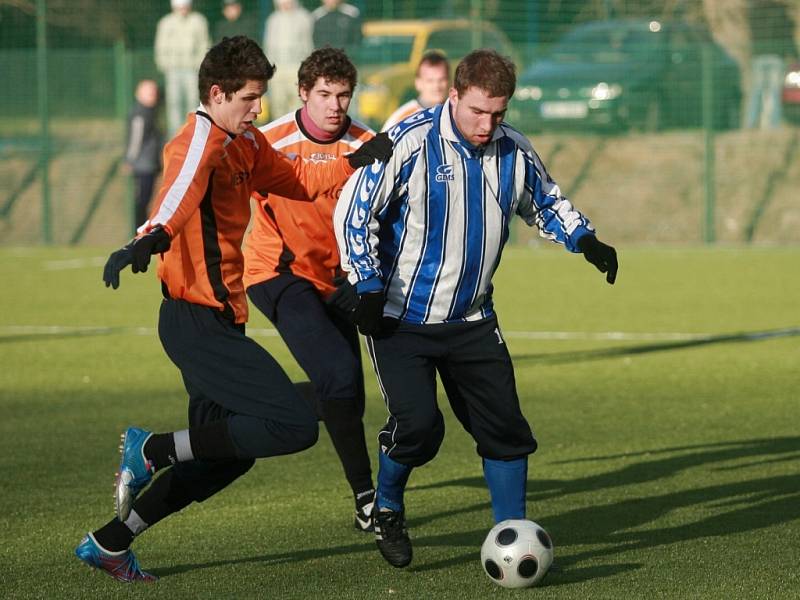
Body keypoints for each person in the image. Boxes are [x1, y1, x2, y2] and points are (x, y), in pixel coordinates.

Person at [74, 36, 392, 583]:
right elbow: (173, 196)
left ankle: (111, 541)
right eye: (249, 97)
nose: (259, 109)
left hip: (221, 321)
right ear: (217, 94)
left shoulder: (244, 143)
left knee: (225, 456)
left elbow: (295, 180)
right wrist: (147, 240)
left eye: (262, 96)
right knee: (294, 424)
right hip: (194, 322)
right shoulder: (201, 138)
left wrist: (353, 161)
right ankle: (149, 447)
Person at [333, 49, 618, 569]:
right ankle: (388, 507)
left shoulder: (513, 149)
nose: (488, 125)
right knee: (418, 427)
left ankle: (513, 533)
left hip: (472, 321)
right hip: (401, 318)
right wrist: (368, 287)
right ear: (454, 95)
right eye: (478, 112)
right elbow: (354, 212)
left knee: (505, 429)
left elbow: (546, 201)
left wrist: (585, 239)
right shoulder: (408, 142)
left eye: (499, 114)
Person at [243, 47, 377, 533]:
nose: (334, 105)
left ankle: (247, 404)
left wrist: (360, 280)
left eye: (343, 95)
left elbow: (384, 221)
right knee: (339, 376)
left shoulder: (368, 144)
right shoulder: (268, 141)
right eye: (324, 94)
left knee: (347, 402)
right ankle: (369, 502)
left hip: (337, 282)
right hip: (277, 273)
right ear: (303, 93)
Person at [154, 0, 211, 136]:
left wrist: (200, 65)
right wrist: (164, 64)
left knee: (193, 101)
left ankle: (193, 133)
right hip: (172, 70)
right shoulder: (166, 22)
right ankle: (176, 135)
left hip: (192, 69)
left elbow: (204, 43)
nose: (183, 10)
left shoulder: (198, 21)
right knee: (174, 103)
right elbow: (160, 45)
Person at [744, 0, 796, 129]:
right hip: (776, 55)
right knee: (774, 91)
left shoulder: (754, 11)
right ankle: (772, 124)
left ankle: (751, 122)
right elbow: (787, 35)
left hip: (758, 54)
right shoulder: (781, 12)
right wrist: (795, 55)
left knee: (756, 90)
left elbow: (750, 33)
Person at [263, 0, 314, 119]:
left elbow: (308, 44)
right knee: (278, 103)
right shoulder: (272, 20)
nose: (285, 3)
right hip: (278, 70)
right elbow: (268, 46)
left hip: (296, 67)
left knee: (297, 102)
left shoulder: (304, 17)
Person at [124, 79, 163, 232]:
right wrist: (130, 160)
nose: (154, 95)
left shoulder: (151, 112)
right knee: (141, 200)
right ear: (139, 94)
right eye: (149, 92)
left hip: (150, 164)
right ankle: (138, 232)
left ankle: (141, 231)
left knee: (147, 200)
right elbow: (136, 138)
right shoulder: (140, 113)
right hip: (142, 165)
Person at [382, 51, 450, 131]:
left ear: (450, 81)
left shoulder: (457, 113)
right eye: (430, 81)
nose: (437, 86)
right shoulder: (402, 119)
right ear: (418, 83)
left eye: (442, 79)